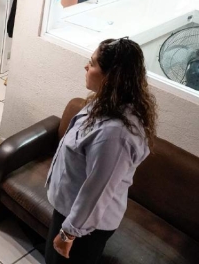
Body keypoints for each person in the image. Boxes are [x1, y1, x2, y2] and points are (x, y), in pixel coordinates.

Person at [45, 37, 157, 264]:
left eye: (92, 63)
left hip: (84, 227)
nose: (86, 67)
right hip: (70, 211)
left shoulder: (115, 134)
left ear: (111, 77)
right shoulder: (105, 104)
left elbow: (98, 191)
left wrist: (69, 233)